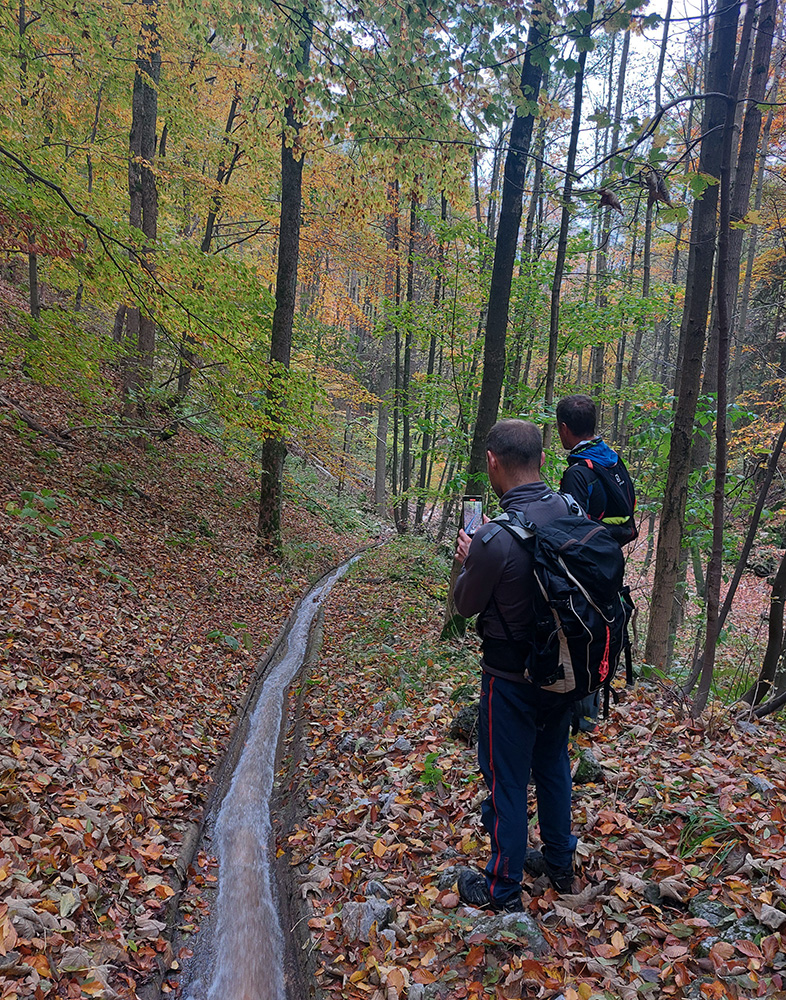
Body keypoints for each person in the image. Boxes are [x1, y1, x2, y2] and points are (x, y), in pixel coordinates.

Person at [453, 419, 578, 912]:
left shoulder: (493, 539)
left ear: (492, 462)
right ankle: (560, 863)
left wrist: (469, 558)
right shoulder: (571, 510)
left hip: (508, 680)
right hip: (564, 672)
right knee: (552, 765)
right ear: (542, 460)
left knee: (506, 778)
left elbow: (465, 606)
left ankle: (502, 888)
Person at [556, 394, 637, 731]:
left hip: (584, 571)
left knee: (581, 635)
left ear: (564, 428)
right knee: (600, 632)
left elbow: (571, 529)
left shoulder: (578, 472)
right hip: (610, 564)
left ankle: (579, 721)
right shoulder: (613, 461)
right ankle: (588, 715)